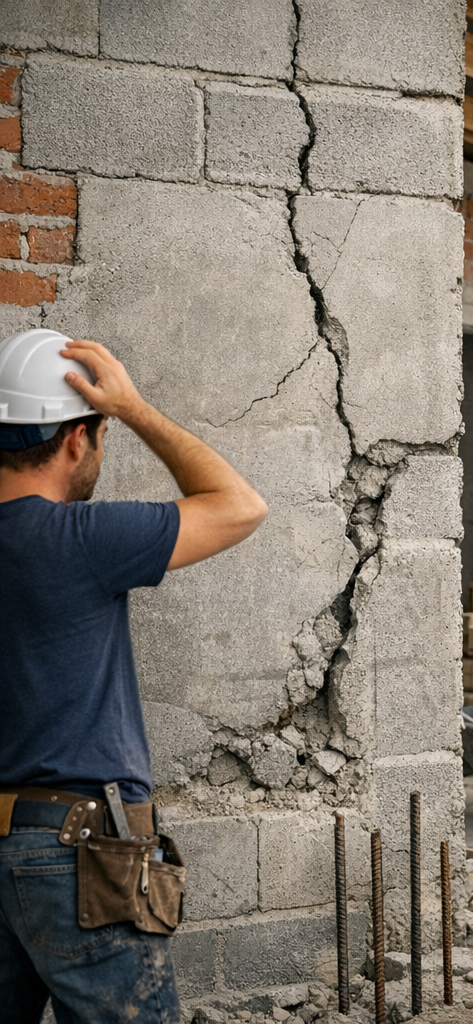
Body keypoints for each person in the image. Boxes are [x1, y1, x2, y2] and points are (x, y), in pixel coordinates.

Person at [0, 329, 268, 1022]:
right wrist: (137, 408)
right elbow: (240, 506)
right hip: (73, 853)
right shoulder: (81, 541)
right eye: (101, 435)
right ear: (75, 440)